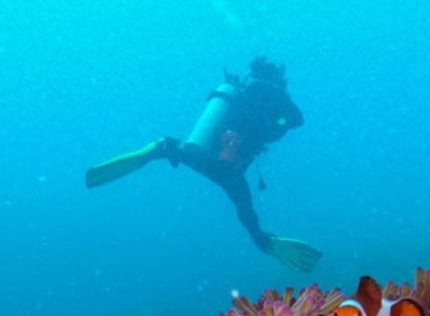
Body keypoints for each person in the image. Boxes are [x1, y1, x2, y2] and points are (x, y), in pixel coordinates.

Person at [85, 57, 322, 272]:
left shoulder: (243, 93)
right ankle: (264, 240)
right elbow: (295, 121)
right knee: (246, 212)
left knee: (176, 151)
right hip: (229, 172)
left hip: (204, 153)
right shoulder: (274, 98)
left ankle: (158, 148)